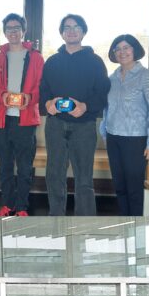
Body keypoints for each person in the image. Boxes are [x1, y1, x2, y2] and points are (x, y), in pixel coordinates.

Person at [40, 14, 111, 216]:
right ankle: (56, 219)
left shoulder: (96, 62)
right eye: (67, 27)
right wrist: (48, 103)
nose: (71, 30)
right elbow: (43, 89)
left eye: (76, 27)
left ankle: (85, 222)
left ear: (83, 31)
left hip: (84, 126)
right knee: (54, 174)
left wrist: (85, 106)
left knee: (84, 177)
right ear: (62, 33)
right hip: (55, 125)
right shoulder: (52, 61)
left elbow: (102, 93)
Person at [100, 34, 149, 216]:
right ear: (114, 53)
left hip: (136, 140)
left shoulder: (147, 76)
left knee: (134, 188)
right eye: (118, 49)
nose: (122, 52)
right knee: (119, 186)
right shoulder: (111, 79)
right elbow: (107, 109)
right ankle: (125, 225)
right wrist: (105, 133)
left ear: (135, 49)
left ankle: (136, 229)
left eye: (126, 47)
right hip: (114, 138)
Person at [0, 13, 44, 217]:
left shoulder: (36, 57)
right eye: (9, 29)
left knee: (24, 166)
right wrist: (2, 95)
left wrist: (29, 98)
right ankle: (8, 204)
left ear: (23, 31)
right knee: (4, 166)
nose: (13, 32)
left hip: (26, 119)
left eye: (16, 28)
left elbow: (41, 86)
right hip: (4, 118)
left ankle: (22, 206)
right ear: (4, 32)